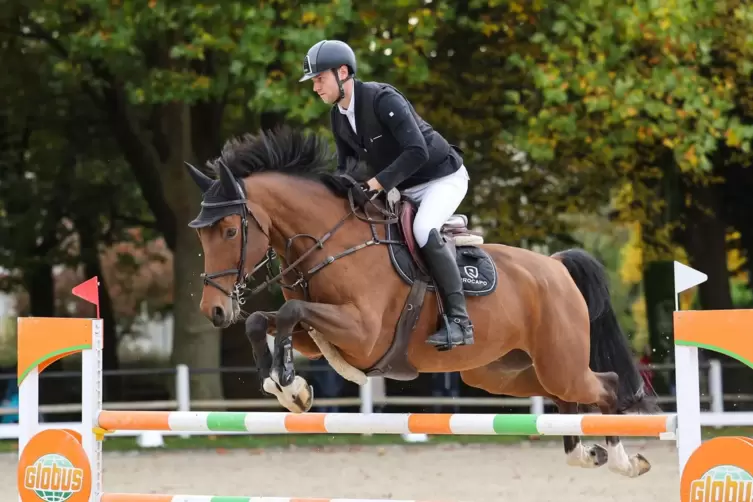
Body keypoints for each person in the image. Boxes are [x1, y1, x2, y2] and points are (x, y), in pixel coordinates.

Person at [299, 39, 474, 350]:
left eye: (319, 79)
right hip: (402, 186)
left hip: (442, 178)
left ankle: (461, 322)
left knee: (423, 229)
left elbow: (417, 151)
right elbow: (346, 167)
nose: (315, 88)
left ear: (342, 72)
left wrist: (376, 184)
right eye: (313, 81)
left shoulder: (383, 99)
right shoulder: (338, 115)